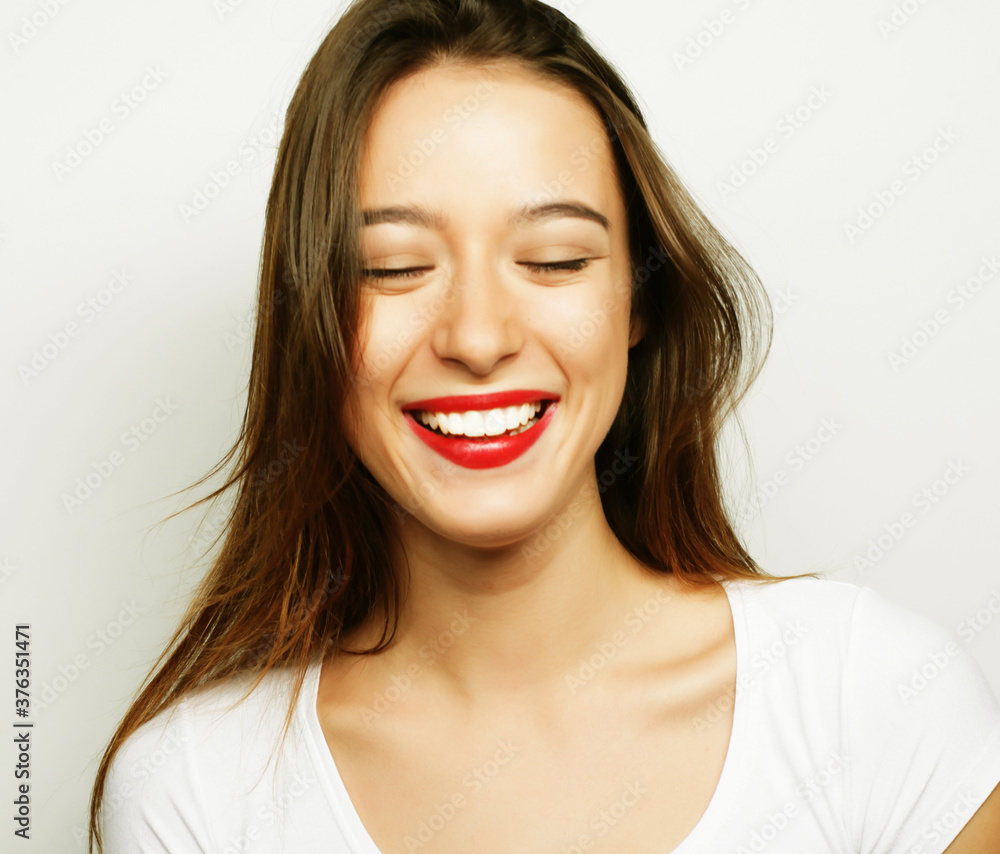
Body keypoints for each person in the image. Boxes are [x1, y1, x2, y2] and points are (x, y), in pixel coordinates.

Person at [88, 0, 1000, 851]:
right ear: (314, 323)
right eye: (394, 268)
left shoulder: (869, 698)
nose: (478, 338)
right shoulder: (197, 790)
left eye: (555, 258)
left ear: (637, 299)